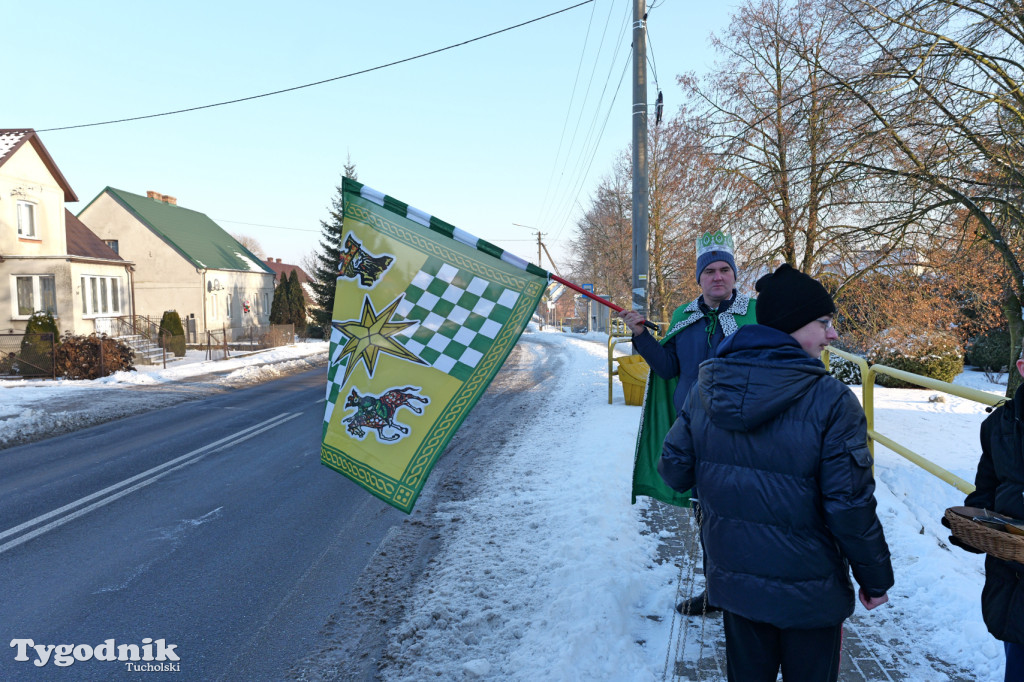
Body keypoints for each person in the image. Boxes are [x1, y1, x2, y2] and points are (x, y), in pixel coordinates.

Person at [658, 264, 893, 681]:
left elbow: (675, 471)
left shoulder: (707, 387)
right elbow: (849, 506)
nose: (832, 335)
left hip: (736, 587)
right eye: (824, 323)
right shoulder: (833, 401)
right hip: (811, 594)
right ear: (792, 325)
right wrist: (875, 579)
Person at [617, 231, 756, 616]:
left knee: (746, 515)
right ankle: (716, 592)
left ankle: (748, 591)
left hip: (744, 433)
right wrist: (641, 336)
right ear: (699, 278)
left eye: (724, 269)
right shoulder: (684, 315)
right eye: (709, 271)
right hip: (696, 433)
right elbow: (668, 369)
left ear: (734, 274)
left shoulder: (755, 314)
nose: (717, 277)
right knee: (705, 516)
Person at [947, 352, 1024, 681]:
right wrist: (974, 527)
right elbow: (986, 491)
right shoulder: (999, 425)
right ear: (1022, 367)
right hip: (1015, 578)